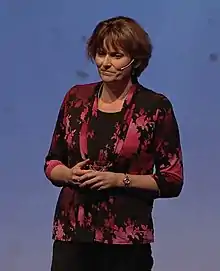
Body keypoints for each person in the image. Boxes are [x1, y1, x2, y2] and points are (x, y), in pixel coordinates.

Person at [44, 16, 184, 271]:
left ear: (135, 61)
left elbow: (172, 179)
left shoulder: (154, 107)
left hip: (126, 240)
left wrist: (119, 180)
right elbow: (52, 161)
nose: (105, 63)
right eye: (100, 53)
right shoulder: (76, 98)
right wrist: (68, 174)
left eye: (116, 55)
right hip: (72, 235)